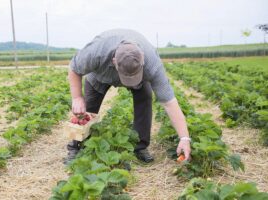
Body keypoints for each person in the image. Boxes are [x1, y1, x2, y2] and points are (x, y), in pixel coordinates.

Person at [67, 29, 191, 163]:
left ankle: (140, 146)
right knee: (87, 111)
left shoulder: (152, 63)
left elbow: (169, 102)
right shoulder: (96, 52)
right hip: (99, 76)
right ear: (114, 61)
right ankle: (76, 146)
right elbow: (74, 68)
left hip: (141, 79)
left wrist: (184, 138)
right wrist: (77, 97)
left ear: (142, 59)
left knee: (145, 98)